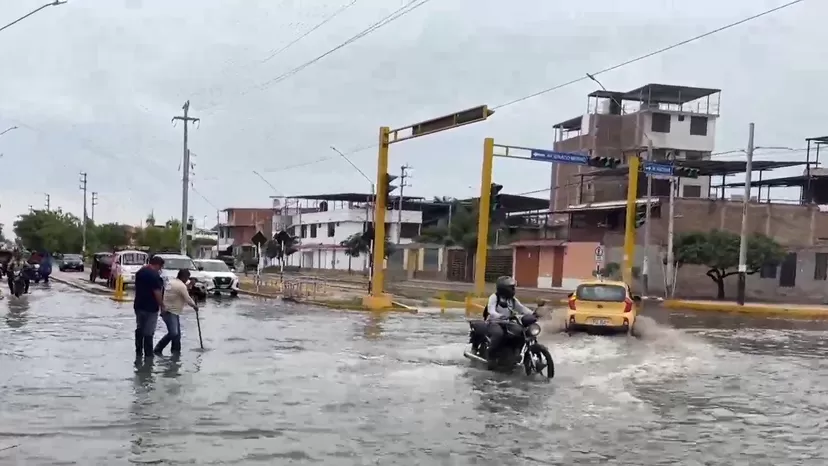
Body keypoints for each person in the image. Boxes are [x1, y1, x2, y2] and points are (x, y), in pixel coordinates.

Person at [484, 276, 533, 362]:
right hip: (494, 322)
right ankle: (491, 355)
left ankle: (516, 353)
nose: (513, 289)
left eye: (513, 287)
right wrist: (499, 315)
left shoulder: (512, 300)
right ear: (504, 289)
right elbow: (491, 310)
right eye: (511, 288)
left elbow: (521, 308)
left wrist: (534, 314)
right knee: (498, 334)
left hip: (508, 322)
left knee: (522, 332)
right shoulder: (494, 297)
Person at [154, 269, 199, 356]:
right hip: (170, 312)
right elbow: (188, 298)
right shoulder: (180, 286)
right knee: (173, 333)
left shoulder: (172, 282)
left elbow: (181, 289)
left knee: (177, 335)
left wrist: (189, 285)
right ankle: (158, 349)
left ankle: (176, 352)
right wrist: (194, 306)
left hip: (169, 311)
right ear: (184, 277)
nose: (188, 279)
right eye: (187, 278)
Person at [133, 255, 165, 361]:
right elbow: (157, 292)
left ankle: (138, 352)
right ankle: (148, 355)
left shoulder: (140, 272)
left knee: (140, 328)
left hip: (139, 305)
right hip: (151, 307)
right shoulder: (154, 275)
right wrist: (162, 305)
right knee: (149, 332)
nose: (160, 270)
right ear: (157, 265)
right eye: (160, 267)